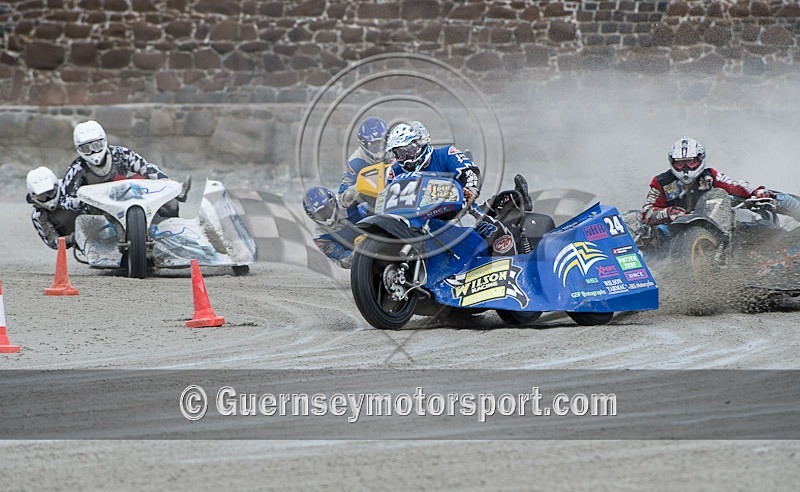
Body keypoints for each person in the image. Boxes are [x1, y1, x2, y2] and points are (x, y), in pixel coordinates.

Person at [385, 120, 527, 255]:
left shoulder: (446, 154)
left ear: (422, 143)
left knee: (497, 233)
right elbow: (388, 199)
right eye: (399, 154)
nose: (405, 158)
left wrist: (471, 189)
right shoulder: (394, 171)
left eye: (408, 151)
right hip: (414, 221)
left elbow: (470, 171)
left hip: (458, 212)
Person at [642, 136, 800, 225]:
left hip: (719, 223)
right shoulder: (661, 183)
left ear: (700, 160)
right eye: (680, 163)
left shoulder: (710, 176)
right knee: (641, 228)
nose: (686, 168)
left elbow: (736, 185)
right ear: (672, 162)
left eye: (690, 162)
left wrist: (756, 191)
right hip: (677, 231)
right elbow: (647, 213)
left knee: (766, 201)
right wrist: (669, 212)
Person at [59, 120, 188, 215]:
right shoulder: (76, 169)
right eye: (86, 149)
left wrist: (166, 185)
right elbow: (64, 200)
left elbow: (146, 168)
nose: (93, 152)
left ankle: (171, 229)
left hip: (131, 195)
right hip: (100, 209)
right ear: (79, 149)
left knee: (171, 204)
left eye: (96, 146)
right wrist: (85, 202)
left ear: (103, 141)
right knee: (83, 220)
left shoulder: (121, 154)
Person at [303, 185, 366, 269]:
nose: (326, 216)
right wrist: (359, 250)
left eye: (326, 210)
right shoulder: (320, 237)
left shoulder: (346, 198)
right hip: (364, 252)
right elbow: (344, 260)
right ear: (312, 216)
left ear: (333, 202)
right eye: (320, 214)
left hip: (379, 225)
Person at [337, 116, 390, 211]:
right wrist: (360, 186)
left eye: (381, 143)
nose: (378, 148)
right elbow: (342, 198)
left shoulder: (395, 151)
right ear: (363, 144)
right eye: (373, 144)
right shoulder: (355, 162)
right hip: (370, 204)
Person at [25, 166, 80, 249]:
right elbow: (53, 242)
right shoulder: (39, 215)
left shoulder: (72, 189)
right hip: (84, 243)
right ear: (34, 196)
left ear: (56, 186)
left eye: (50, 192)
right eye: (42, 196)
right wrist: (73, 238)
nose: (47, 198)